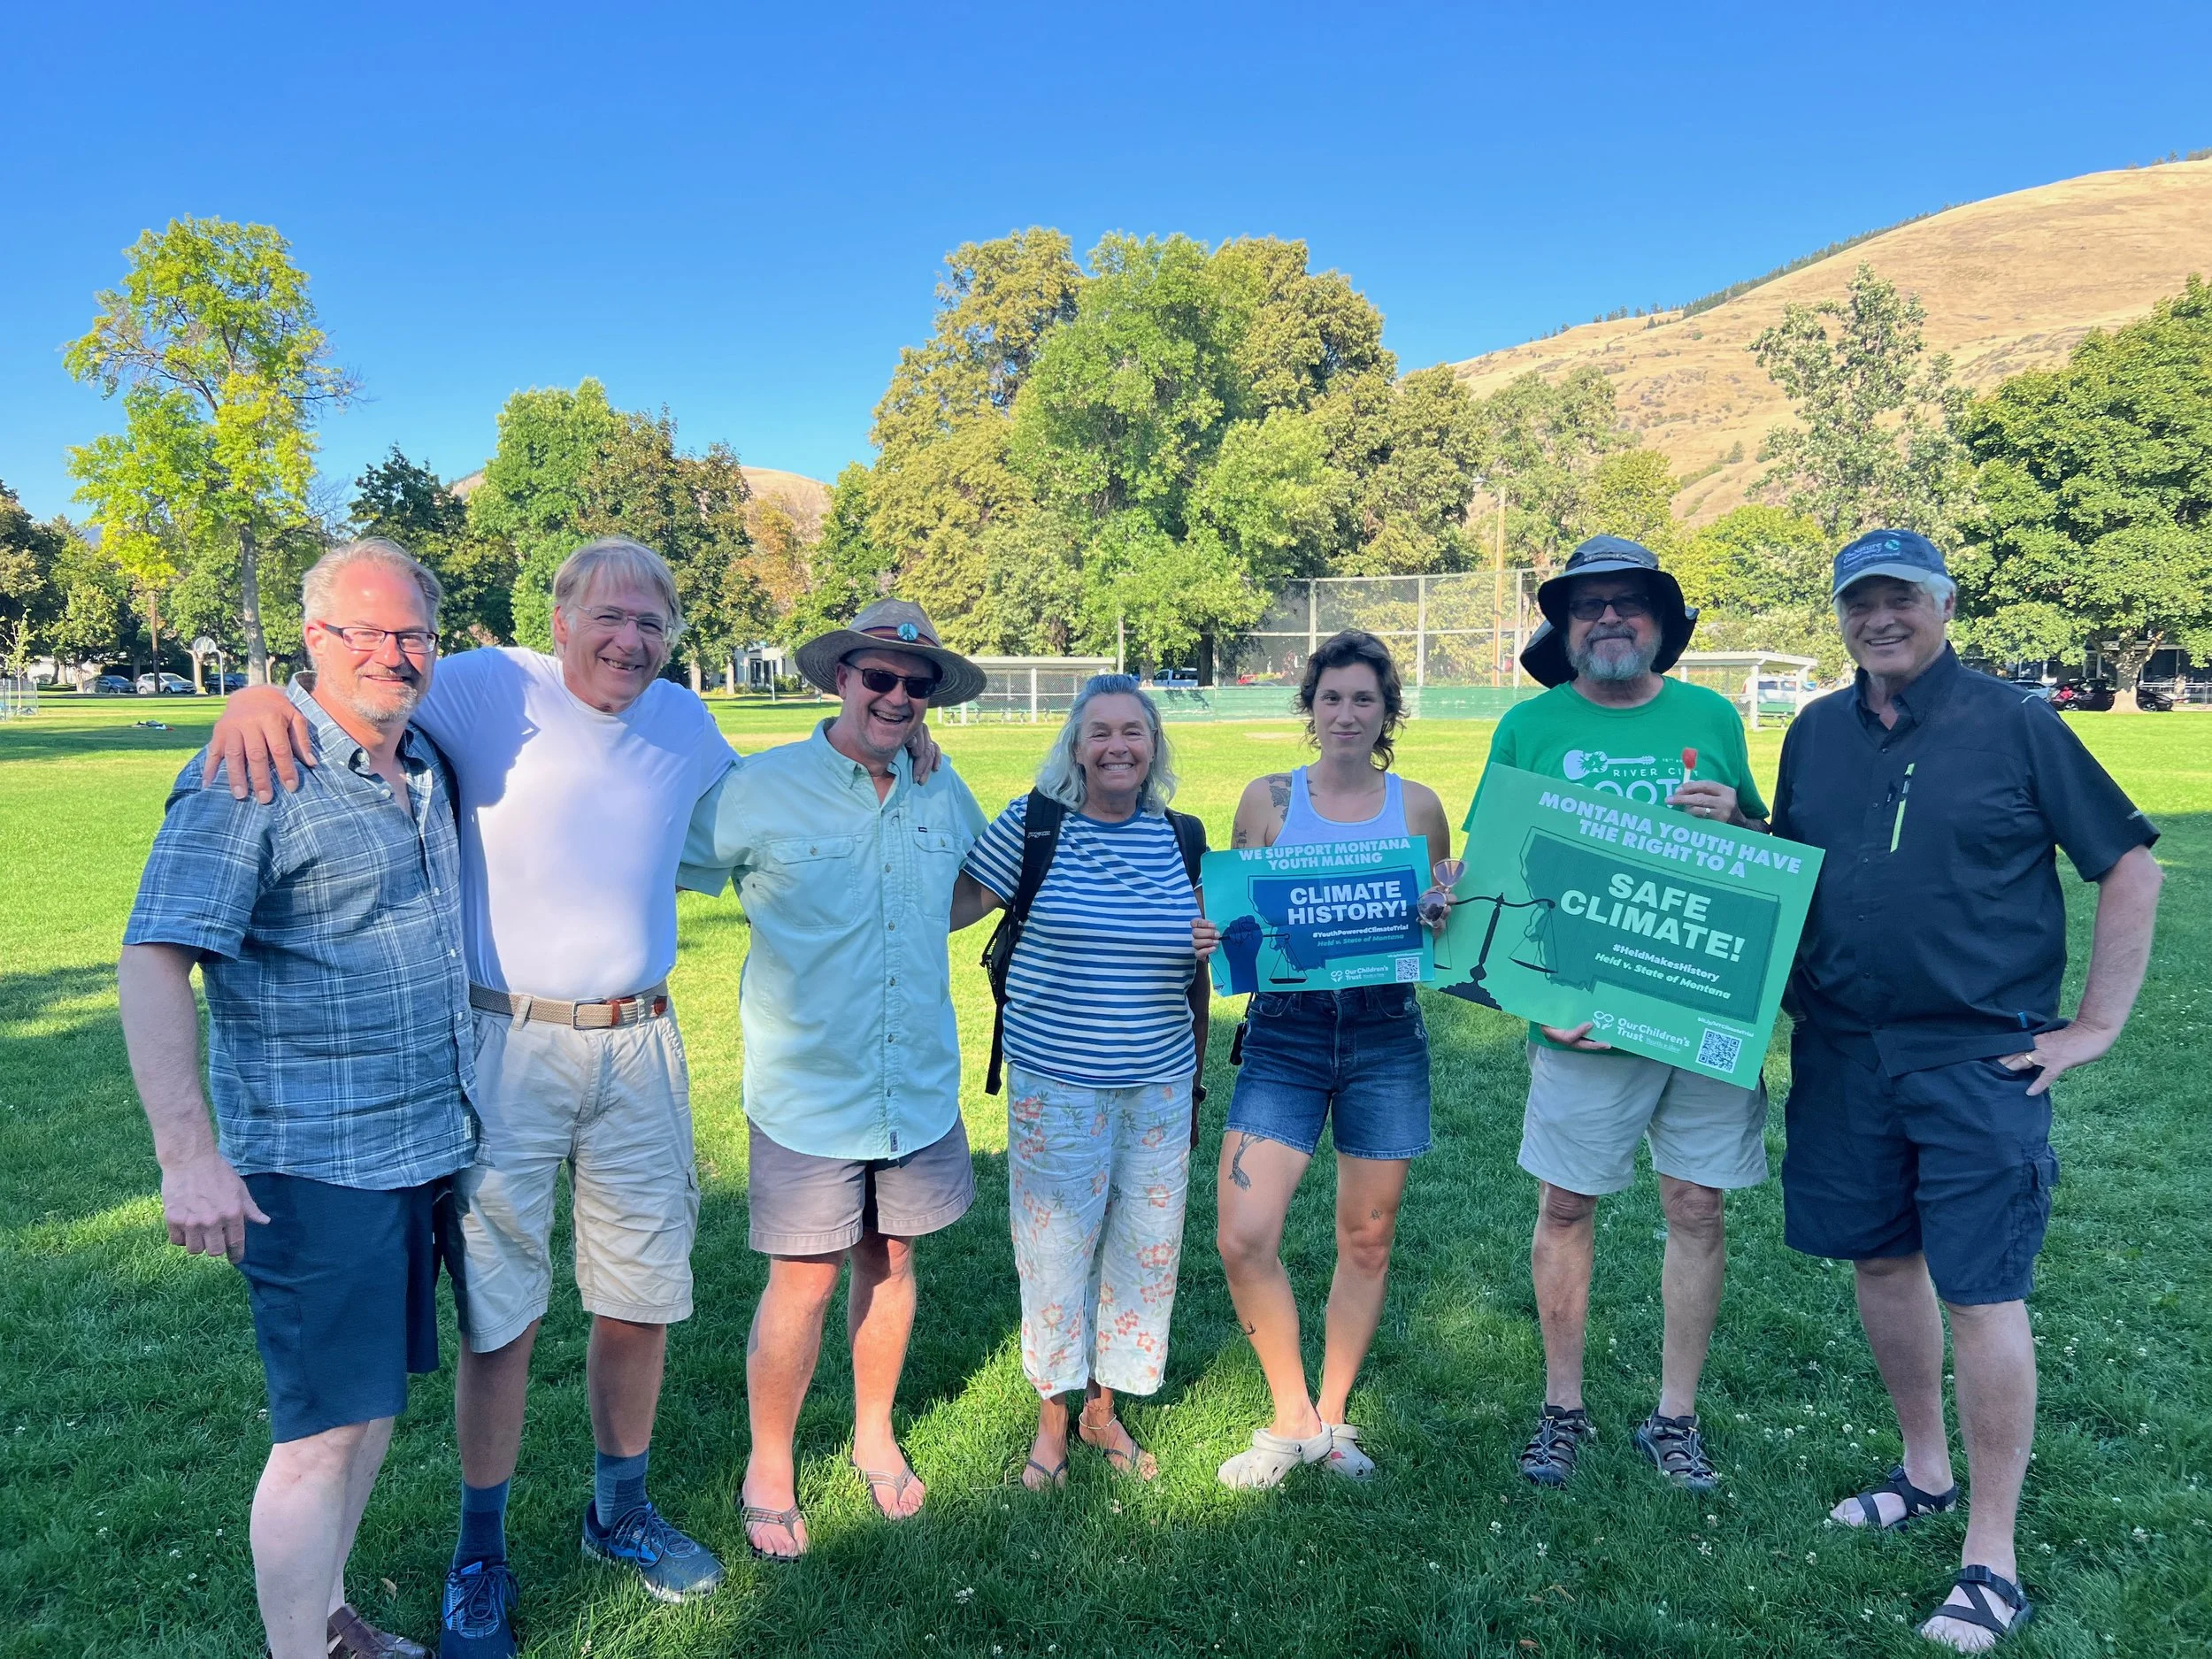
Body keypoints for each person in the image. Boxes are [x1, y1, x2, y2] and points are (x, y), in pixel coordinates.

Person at [198, 540, 891, 1652]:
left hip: (641, 1044)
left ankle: (619, 1510)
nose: (630, 641)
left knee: (640, 1294)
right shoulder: (485, 685)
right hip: (499, 1042)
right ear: (560, 616)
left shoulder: (681, 724)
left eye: (653, 624)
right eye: (610, 616)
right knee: (498, 1311)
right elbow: (358, 687)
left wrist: (890, 737)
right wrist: (256, 695)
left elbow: (779, 800)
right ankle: (482, 1551)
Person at [1773, 530, 2162, 1651]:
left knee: (1980, 1290)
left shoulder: (2014, 722)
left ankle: (1989, 1555)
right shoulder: (1812, 733)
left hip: (1977, 1059)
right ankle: (1923, 1471)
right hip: (1846, 1053)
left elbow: (2128, 863)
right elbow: (1795, 871)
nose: (1879, 618)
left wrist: (2093, 1025)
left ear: (1942, 605)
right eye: (1860, 602)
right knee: (1882, 1261)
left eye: (1901, 599)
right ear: (1841, 614)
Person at [119, 541, 476, 1659]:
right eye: (361, 632)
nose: (391, 653)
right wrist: (187, 1155)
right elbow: (153, 957)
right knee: (320, 1434)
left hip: (418, 1145)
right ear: (314, 641)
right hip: (312, 1166)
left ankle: (327, 1622)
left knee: (366, 1413)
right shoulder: (250, 774)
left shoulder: (423, 764)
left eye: (411, 632)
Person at [678, 599, 989, 1560]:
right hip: (809, 1088)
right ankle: (769, 1464)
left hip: (917, 1082)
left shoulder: (943, 788)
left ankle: (872, 1433)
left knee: (891, 1262)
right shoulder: (755, 790)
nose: (897, 696)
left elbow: (978, 883)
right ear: (840, 681)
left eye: (916, 683)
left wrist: (909, 919)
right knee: (803, 1279)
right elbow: (659, 870)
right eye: (879, 678)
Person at [1479, 534, 1770, 1494]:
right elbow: (1493, 874)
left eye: (1627, 603)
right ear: (1564, 630)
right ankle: (1562, 1409)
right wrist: (1533, 996)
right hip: (1580, 1016)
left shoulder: (1710, 716)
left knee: (1696, 1204)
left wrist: (1738, 818)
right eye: (1586, 605)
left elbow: (1767, 855)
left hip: (1697, 1009)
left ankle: (1674, 1419)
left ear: (1660, 622)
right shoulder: (1528, 729)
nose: (1607, 618)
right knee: (1566, 1204)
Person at [949, 675, 1215, 1489]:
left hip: (1160, 1087)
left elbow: (1202, 976)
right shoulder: (1032, 826)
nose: (1117, 747)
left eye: (1133, 731)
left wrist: (1198, 1079)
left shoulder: (1185, 838)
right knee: (1056, 1252)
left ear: (1154, 744)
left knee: (1146, 1250)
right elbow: (943, 905)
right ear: (1075, 745)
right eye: (1099, 732)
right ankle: (1053, 1421)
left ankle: (1107, 1405)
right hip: (1055, 1085)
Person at [1212, 629, 1455, 1489]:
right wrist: (1220, 933)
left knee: (1367, 1236)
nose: (1346, 713)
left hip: (1386, 1036)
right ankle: (1290, 1417)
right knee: (1244, 1236)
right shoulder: (1269, 800)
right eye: (1331, 697)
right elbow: (1240, 921)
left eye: (1364, 698)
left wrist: (1440, 907)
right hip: (1286, 1033)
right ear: (1308, 708)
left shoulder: (1418, 807)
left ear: (1388, 711)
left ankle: (1334, 1420)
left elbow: (1437, 924)